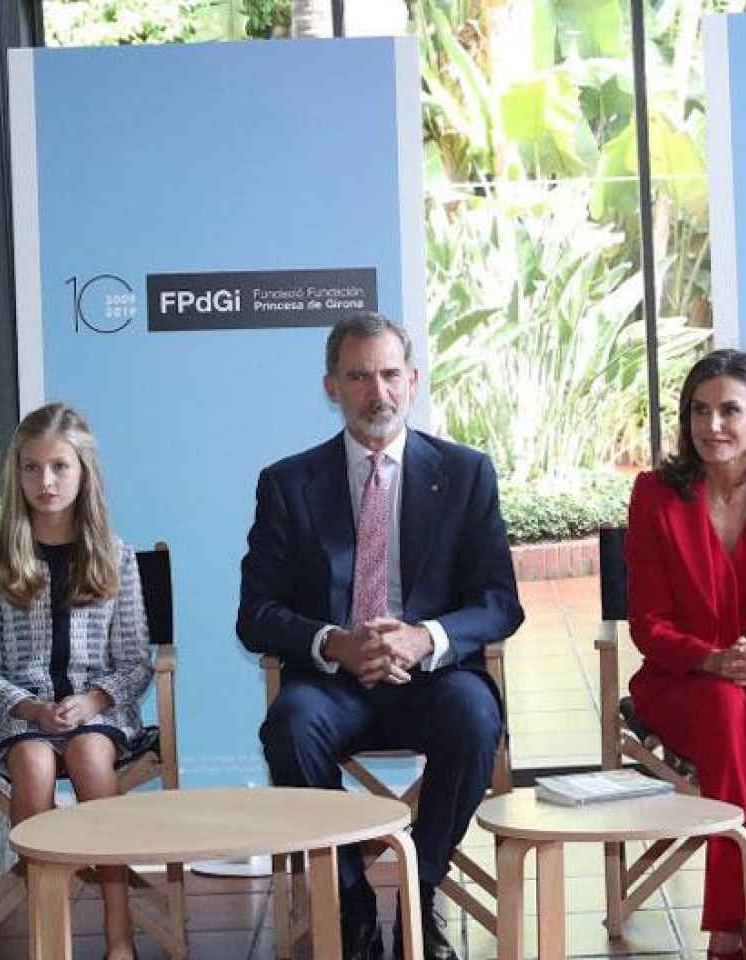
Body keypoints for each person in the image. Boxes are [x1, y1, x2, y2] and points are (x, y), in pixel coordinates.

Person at [239, 311, 524, 960]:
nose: (379, 392)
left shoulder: (465, 473)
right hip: (334, 683)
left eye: (391, 374)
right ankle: (352, 897)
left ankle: (420, 891)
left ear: (414, 379)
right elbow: (255, 613)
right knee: (289, 727)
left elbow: (500, 603)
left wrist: (425, 638)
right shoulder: (288, 484)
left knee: (476, 719)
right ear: (331, 387)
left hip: (434, 679)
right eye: (359, 376)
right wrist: (335, 643)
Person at [625, 349, 746, 960]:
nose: (711, 427)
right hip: (682, 678)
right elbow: (648, 623)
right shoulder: (655, 495)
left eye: (729, 410)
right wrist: (713, 660)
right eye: (698, 411)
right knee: (722, 707)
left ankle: (732, 922)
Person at [0, 403, 152, 960]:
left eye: (59, 467)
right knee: (33, 763)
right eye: (31, 468)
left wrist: (93, 700)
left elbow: (135, 661)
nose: (45, 482)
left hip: (100, 711)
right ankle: (52, 936)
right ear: (14, 474)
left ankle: (119, 935)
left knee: (93, 758)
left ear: (84, 472)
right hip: (20, 715)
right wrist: (31, 709)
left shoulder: (115, 556)